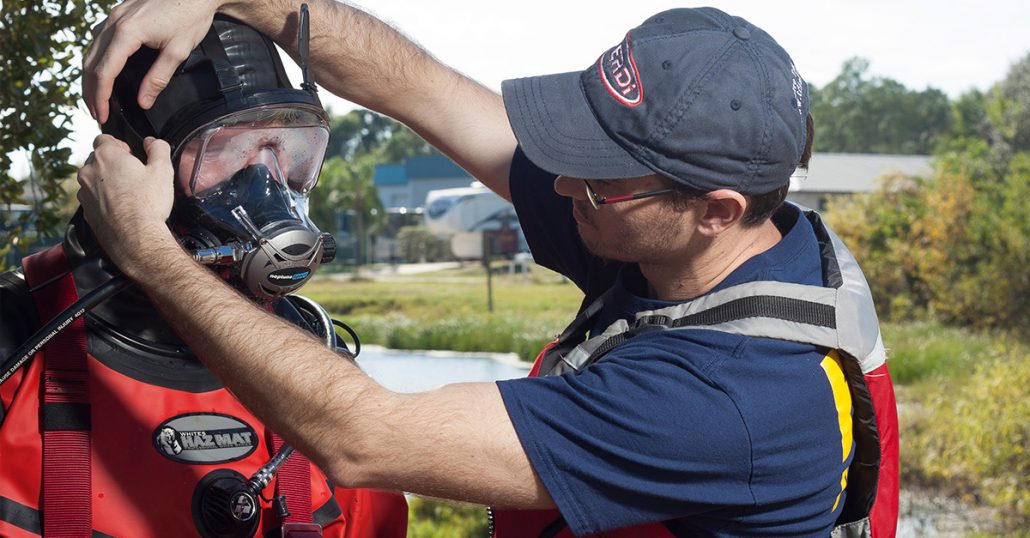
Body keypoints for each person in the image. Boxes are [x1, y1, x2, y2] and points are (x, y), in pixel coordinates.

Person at [78, 2, 900, 537]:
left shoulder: (730, 400)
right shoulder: (697, 236)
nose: (560, 182)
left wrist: (148, 252)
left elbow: (361, 440)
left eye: (599, 177)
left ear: (716, 209)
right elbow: (428, 93)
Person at [0, 14, 407, 538]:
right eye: (226, 148)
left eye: (288, 146)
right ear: (127, 162)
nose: (266, 180)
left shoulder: (315, 367)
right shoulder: (19, 336)